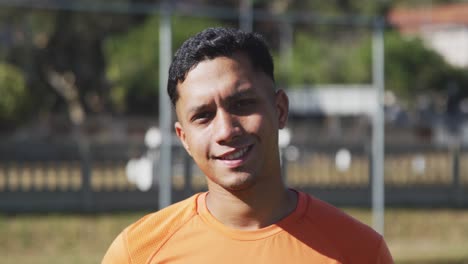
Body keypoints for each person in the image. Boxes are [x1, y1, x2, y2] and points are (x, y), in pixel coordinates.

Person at [102, 27, 394, 264]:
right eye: (203, 116)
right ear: (184, 138)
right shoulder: (137, 253)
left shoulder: (360, 251)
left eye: (242, 104)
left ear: (280, 110)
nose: (226, 130)